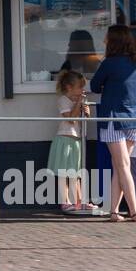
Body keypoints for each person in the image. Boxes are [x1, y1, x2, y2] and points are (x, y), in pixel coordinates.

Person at [90, 25, 136, 222]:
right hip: (134, 117)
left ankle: (133, 211)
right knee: (120, 165)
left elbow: (95, 86)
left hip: (114, 117)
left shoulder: (109, 63)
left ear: (112, 41)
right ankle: (113, 211)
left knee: (122, 166)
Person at [47, 69, 96, 214]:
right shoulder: (63, 100)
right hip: (64, 139)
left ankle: (80, 201)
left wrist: (86, 111)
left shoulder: (77, 102)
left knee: (76, 173)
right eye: (80, 87)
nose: (83, 91)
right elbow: (71, 119)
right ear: (69, 87)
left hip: (76, 140)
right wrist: (79, 103)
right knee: (64, 173)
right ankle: (65, 201)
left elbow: (83, 120)